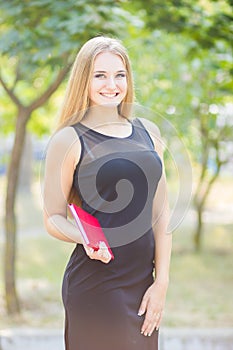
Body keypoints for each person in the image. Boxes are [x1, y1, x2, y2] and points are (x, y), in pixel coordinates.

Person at [43, 36, 172, 350]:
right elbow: (53, 218)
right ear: (84, 80)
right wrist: (87, 239)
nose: (111, 84)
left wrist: (162, 282)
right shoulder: (69, 140)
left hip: (142, 282)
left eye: (120, 74)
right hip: (97, 283)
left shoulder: (148, 132)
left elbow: (162, 213)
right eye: (100, 75)